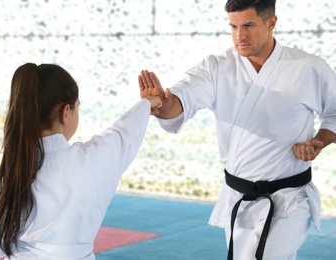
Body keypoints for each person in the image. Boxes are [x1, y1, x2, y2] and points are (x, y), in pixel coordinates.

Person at [138, 0, 336, 259]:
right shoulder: (216, 67)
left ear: (271, 22)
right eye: (233, 27)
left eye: (249, 25)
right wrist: (164, 107)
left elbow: (333, 112)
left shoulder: (308, 67)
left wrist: (319, 141)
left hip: (290, 198)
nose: (239, 36)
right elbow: (184, 98)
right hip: (239, 197)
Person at [0, 63, 162, 259]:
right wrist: (147, 103)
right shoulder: (93, 160)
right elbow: (123, 133)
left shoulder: (3, 176)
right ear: (66, 112)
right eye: (77, 108)